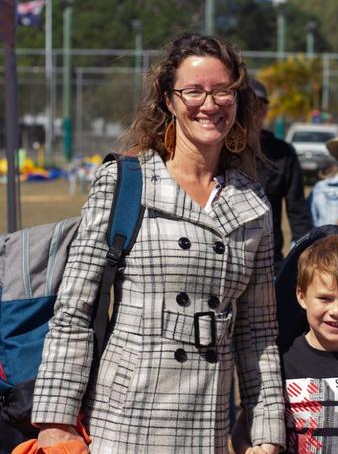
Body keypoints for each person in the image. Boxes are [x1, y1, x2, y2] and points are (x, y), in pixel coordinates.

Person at [31, 33, 285, 452]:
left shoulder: (251, 201)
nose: (210, 104)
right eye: (194, 91)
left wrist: (266, 431)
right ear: (169, 100)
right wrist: (56, 422)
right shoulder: (126, 182)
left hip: (207, 426)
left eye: (223, 91)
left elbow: (259, 333)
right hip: (123, 423)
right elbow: (76, 309)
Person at [232, 234, 338, 453]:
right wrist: (249, 449)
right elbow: (244, 428)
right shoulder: (280, 362)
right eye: (325, 298)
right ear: (301, 296)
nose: (337, 311)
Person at [250, 79, 313, 272]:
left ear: (265, 111)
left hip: (269, 260)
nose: (252, 111)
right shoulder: (220, 149)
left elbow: (297, 211)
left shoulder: (283, 153)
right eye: (246, 104)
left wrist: (308, 257)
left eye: (258, 106)